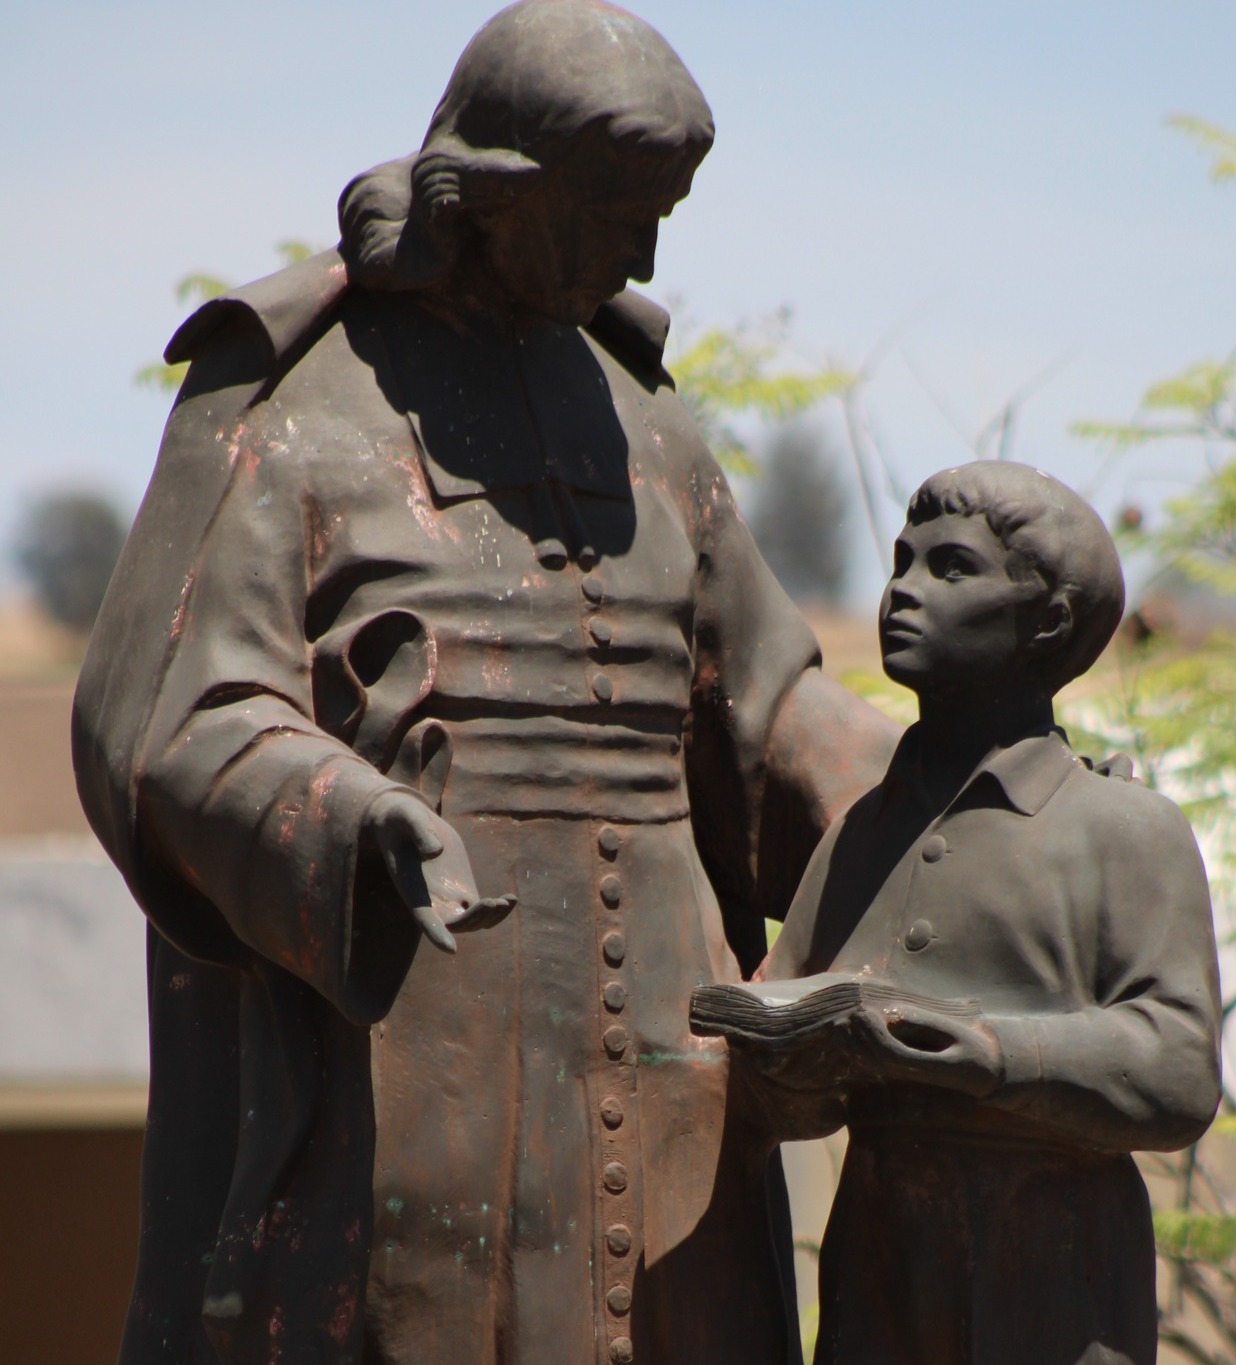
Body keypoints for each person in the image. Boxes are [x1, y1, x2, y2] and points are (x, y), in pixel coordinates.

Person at [72, 5, 897, 1363]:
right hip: (409, 1027)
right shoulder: (290, 399)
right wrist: (341, 813)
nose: (644, 252)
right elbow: (168, 717)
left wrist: (950, 793)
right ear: (494, 193)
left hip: (667, 1044)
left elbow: (769, 706)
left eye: (666, 214)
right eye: (619, 210)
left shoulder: (649, 415)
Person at [757, 462, 1222, 1365]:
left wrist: (999, 1057)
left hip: (1055, 1293)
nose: (902, 591)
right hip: (880, 1284)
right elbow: (778, 1060)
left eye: (951, 569)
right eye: (900, 562)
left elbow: (1178, 1067)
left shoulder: (1122, 828)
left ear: (1045, 619)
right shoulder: (863, 830)